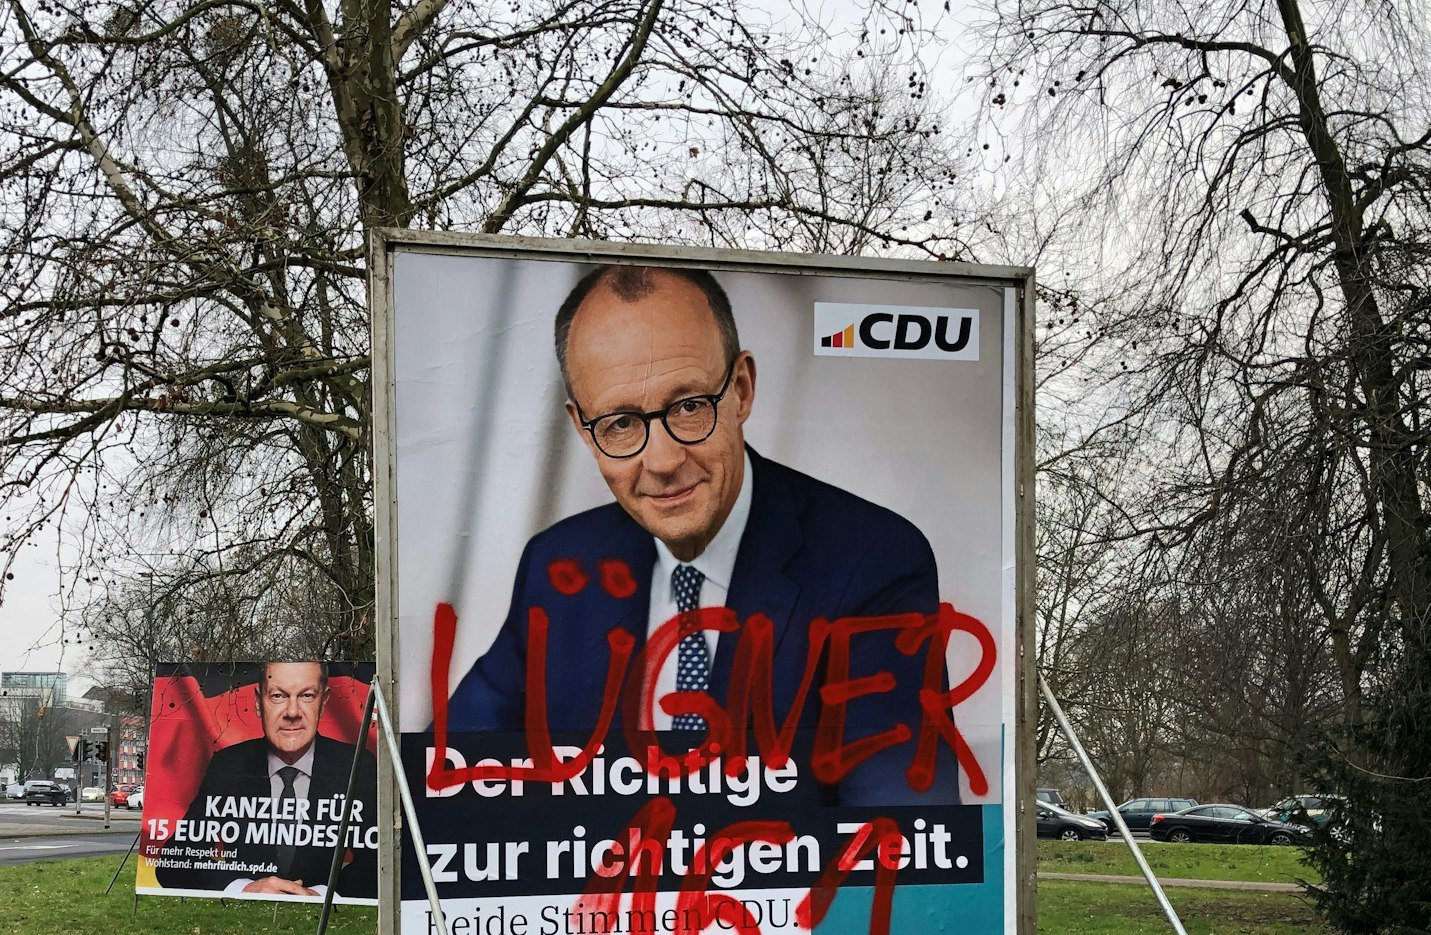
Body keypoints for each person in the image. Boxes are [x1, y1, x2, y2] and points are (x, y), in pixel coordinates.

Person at [445, 262, 958, 805]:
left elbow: (905, 839)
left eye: (690, 407)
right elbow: (449, 769)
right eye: (620, 422)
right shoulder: (558, 565)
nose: (662, 461)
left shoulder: (874, 561)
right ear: (583, 429)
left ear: (740, 390)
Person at [161, 661, 377, 897]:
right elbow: (174, 862)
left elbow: (382, 864)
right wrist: (244, 887)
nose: (292, 712)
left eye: (306, 695)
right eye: (277, 696)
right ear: (258, 702)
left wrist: (323, 894)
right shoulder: (229, 765)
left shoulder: (356, 765)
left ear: (323, 702)